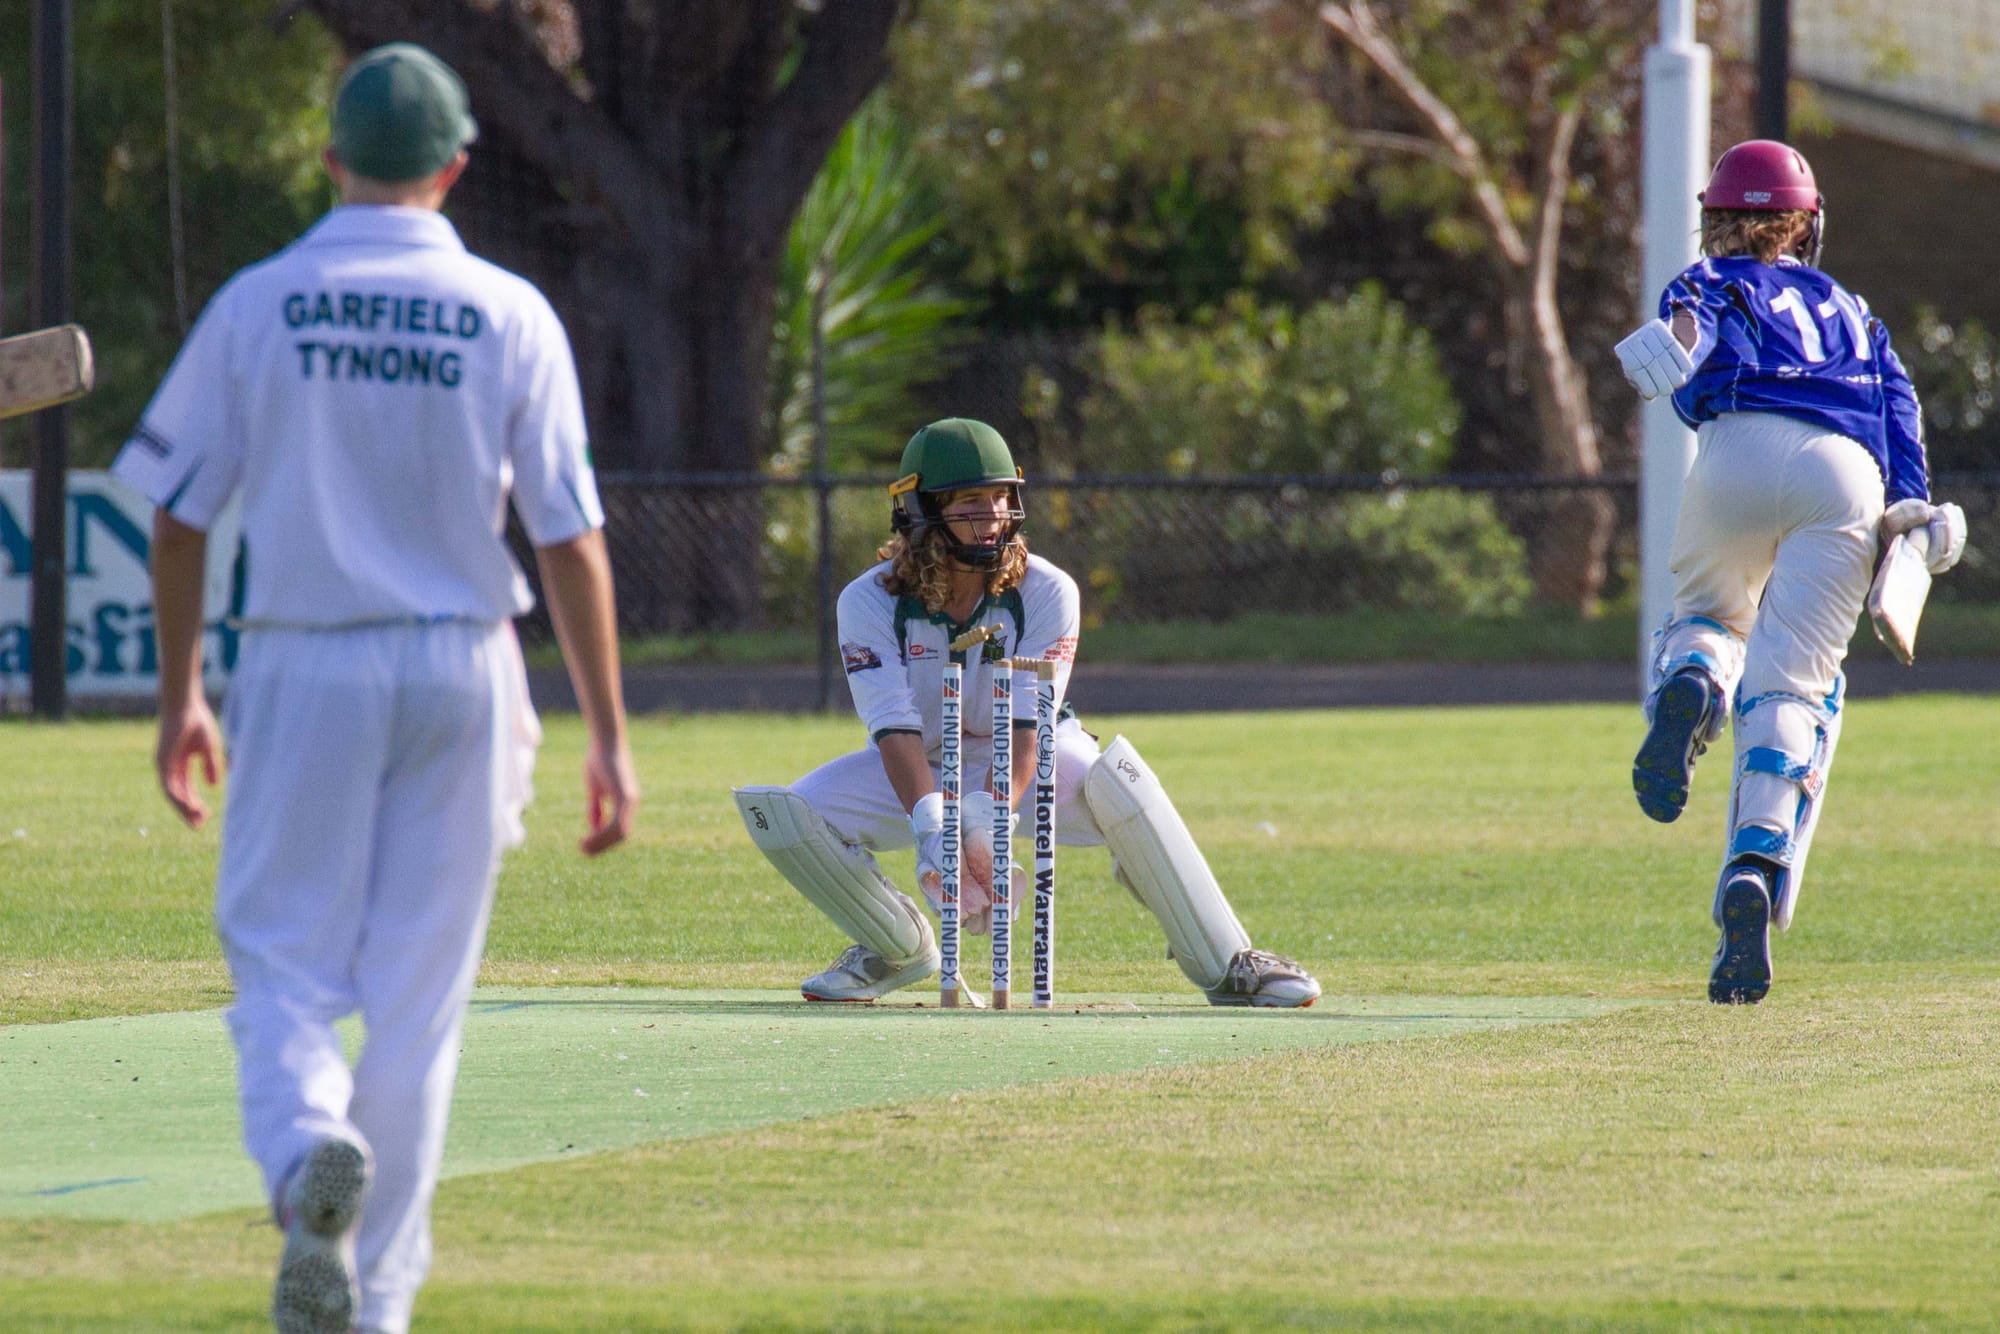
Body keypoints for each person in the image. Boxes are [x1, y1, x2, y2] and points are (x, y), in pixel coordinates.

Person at [112, 44, 638, 1334]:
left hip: (303, 655)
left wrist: (182, 689)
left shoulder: (259, 301)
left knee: (282, 960)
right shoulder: (510, 311)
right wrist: (609, 736)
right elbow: (567, 536)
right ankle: (377, 1301)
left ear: (332, 157)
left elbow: (178, 519)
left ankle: (304, 1158)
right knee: (418, 1000)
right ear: (456, 166)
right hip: (464, 662)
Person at [733, 418, 1320, 1008]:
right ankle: (893, 949)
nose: (990, 515)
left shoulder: (1047, 590)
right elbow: (892, 724)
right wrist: (933, 825)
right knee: (786, 814)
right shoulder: (867, 600)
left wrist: (988, 817)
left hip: (1030, 762)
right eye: (968, 502)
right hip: (921, 765)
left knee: (1118, 781)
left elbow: (1028, 724)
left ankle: (1229, 963)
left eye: (999, 498)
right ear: (918, 509)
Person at [1614, 139, 1964, 1005]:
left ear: (1717, 216)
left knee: (1709, 619)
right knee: (1795, 690)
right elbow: (1899, 406)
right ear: (1803, 223)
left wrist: (1665, 347)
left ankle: (1693, 679)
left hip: (1734, 449)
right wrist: (1913, 511)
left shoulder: (1706, 276)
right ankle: (1756, 863)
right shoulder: (1852, 307)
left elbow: (1687, 339)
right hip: (1845, 474)